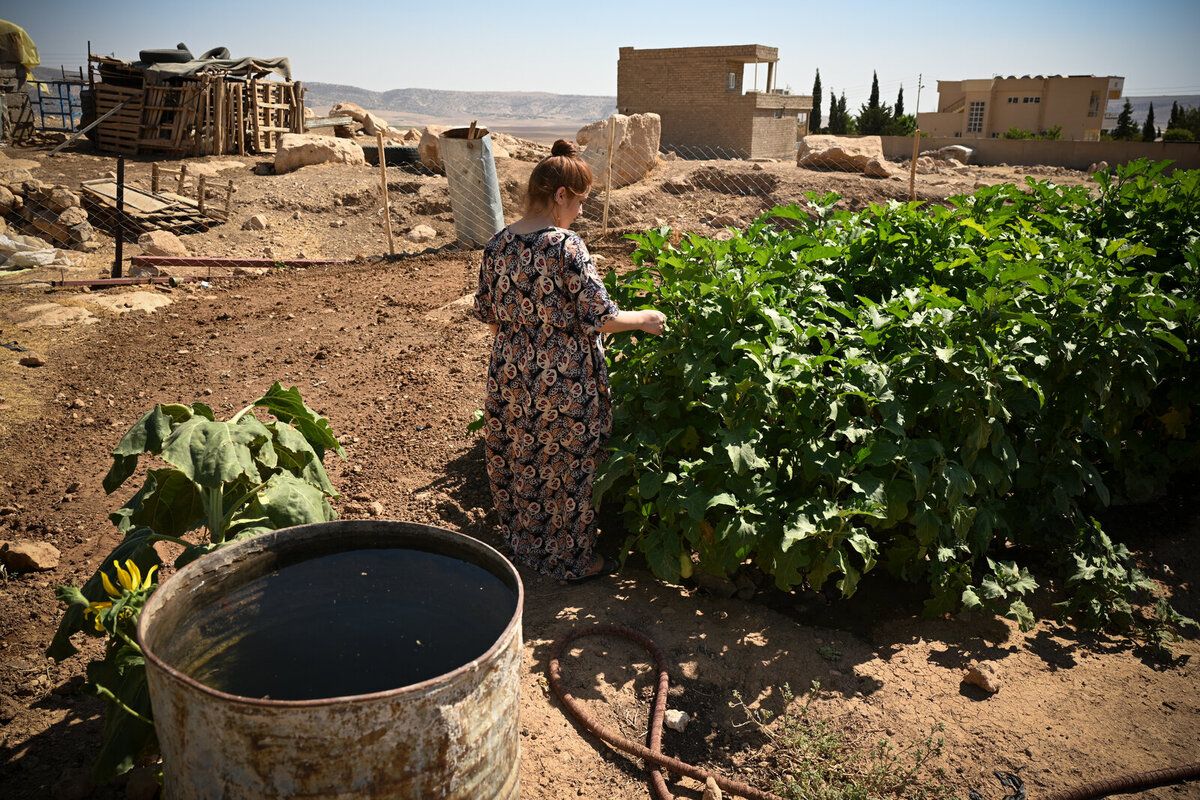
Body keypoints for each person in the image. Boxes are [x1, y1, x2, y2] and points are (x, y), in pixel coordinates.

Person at [473, 139, 666, 581]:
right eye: (579, 202)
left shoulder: (497, 244)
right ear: (560, 195)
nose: (579, 211)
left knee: (521, 457)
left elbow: (491, 319)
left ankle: (526, 547)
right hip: (562, 379)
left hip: (509, 374)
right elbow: (602, 317)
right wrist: (645, 319)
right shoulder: (565, 246)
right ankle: (571, 561)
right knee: (567, 467)